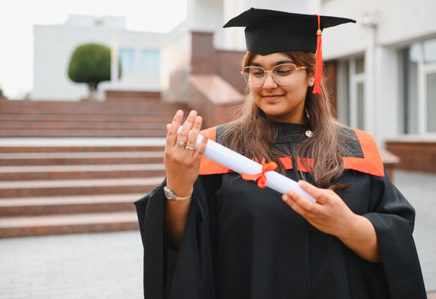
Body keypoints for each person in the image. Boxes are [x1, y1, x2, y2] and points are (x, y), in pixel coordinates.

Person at [135, 7, 427, 299]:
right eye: (257, 71)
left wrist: (346, 225)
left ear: (311, 75)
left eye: (283, 70)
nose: (268, 83)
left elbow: (395, 244)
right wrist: (178, 187)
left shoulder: (354, 148)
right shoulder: (220, 148)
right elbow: (179, 247)